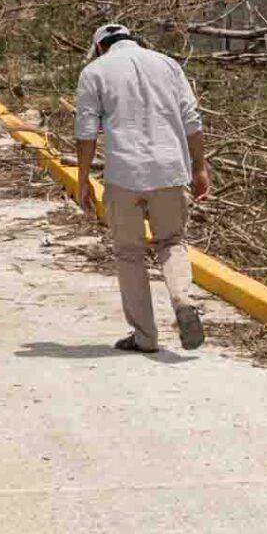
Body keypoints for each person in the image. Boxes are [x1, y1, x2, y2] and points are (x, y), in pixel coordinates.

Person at [74, 23, 210, 353]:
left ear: (100, 47)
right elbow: (191, 119)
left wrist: (82, 180)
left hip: (124, 174)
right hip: (170, 170)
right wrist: (200, 166)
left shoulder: (94, 72)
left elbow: (86, 130)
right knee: (172, 241)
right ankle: (182, 301)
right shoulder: (167, 64)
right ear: (133, 39)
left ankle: (145, 336)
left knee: (129, 254)